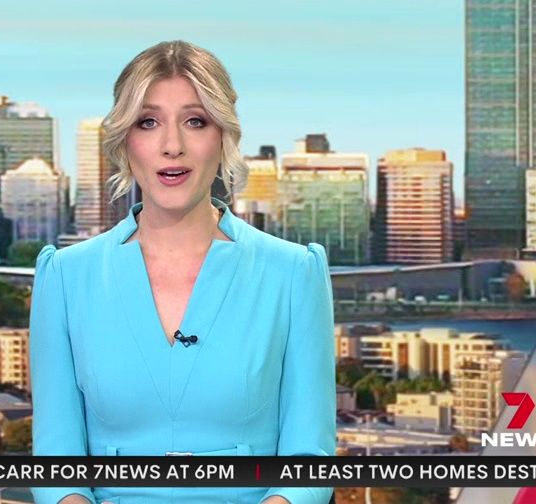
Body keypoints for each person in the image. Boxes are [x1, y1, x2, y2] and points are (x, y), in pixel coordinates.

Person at [30, 40, 335, 504]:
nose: (172, 146)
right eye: (148, 122)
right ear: (125, 141)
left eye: (195, 121)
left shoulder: (293, 273)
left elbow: (309, 461)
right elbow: (56, 466)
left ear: (223, 137)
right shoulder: (66, 277)